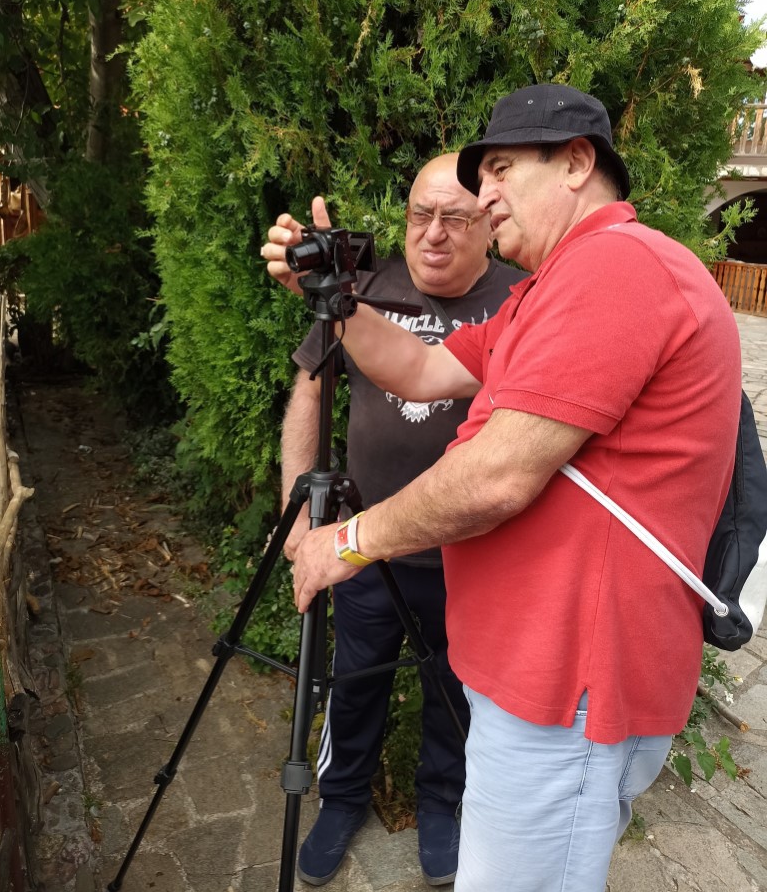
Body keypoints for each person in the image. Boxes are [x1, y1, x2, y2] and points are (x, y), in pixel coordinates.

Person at [263, 83, 742, 891]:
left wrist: (347, 540)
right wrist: (336, 297)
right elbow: (419, 366)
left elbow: (497, 475)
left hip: (568, 689)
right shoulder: (545, 295)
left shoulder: (617, 266)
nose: (484, 196)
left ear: (577, 163)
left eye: (502, 170)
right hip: (543, 683)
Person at [280, 152, 526, 886]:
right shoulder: (363, 290)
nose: (433, 233)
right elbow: (309, 394)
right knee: (354, 680)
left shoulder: (521, 301)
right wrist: (298, 510)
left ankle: (441, 804)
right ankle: (341, 799)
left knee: (456, 691)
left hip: (474, 556)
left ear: (489, 225)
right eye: (421, 213)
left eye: (455, 217)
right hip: (364, 544)